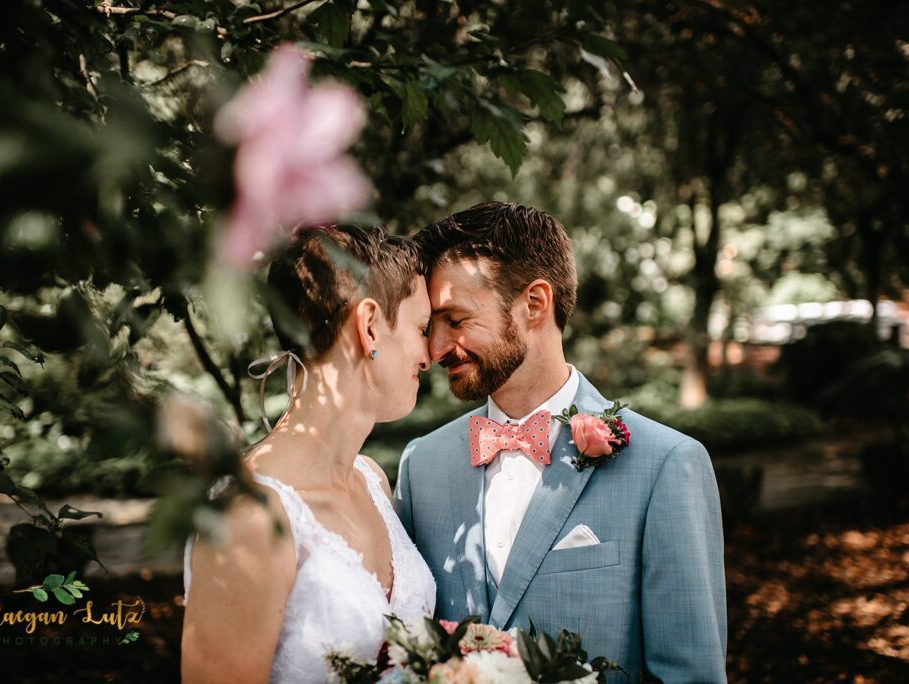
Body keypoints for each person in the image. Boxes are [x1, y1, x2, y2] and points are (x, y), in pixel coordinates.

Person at [395, 202, 728, 682]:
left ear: (534, 303)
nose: (436, 348)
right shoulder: (421, 465)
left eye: (457, 319)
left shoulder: (666, 466)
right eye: (431, 326)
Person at [182, 225, 437, 683]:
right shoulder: (248, 515)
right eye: (422, 328)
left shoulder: (373, 480)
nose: (429, 355)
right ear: (370, 326)